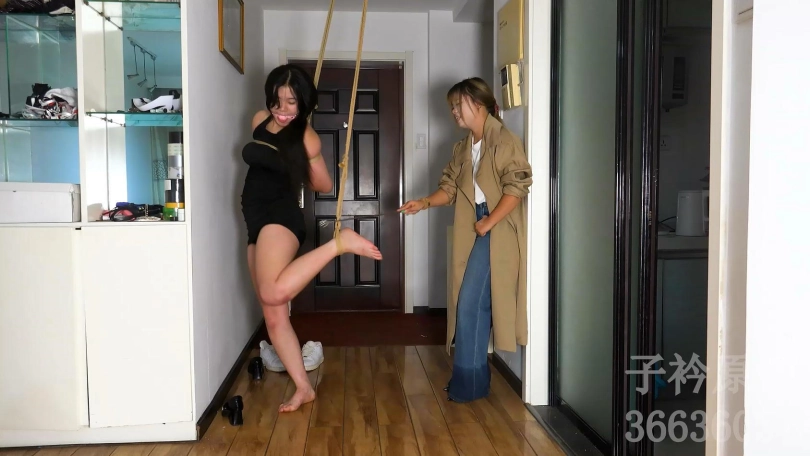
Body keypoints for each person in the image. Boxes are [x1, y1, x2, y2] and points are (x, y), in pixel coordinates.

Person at [241, 64, 383, 412]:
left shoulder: (306, 137)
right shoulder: (259, 120)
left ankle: (339, 243)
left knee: (273, 292)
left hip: (280, 216)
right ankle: (304, 388)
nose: (282, 109)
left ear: (304, 103)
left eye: (291, 102)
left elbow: (323, 184)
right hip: (254, 219)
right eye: (277, 101)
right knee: (274, 316)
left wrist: (298, 162)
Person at [399, 77, 532, 403]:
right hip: (473, 226)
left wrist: (489, 222)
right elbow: (450, 189)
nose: (454, 112)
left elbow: (517, 187)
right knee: (466, 301)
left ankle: (469, 384)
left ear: (479, 103)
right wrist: (424, 202)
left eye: (458, 104)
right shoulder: (463, 148)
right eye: (452, 107)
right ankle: (471, 380)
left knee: (471, 302)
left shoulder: (504, 140)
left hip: (496, 229)